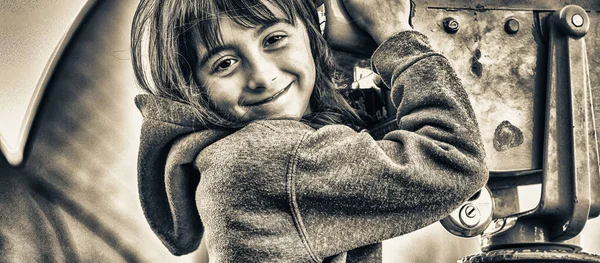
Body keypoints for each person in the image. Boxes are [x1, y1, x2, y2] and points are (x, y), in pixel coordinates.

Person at [130, 0, 489, 261]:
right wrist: (395, 35)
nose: (263, 76)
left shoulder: (228, 159)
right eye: (224, 64)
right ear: (192, 88)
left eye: (273, 39)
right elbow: (454, 160)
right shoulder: (259, 160)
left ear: (311, 35)